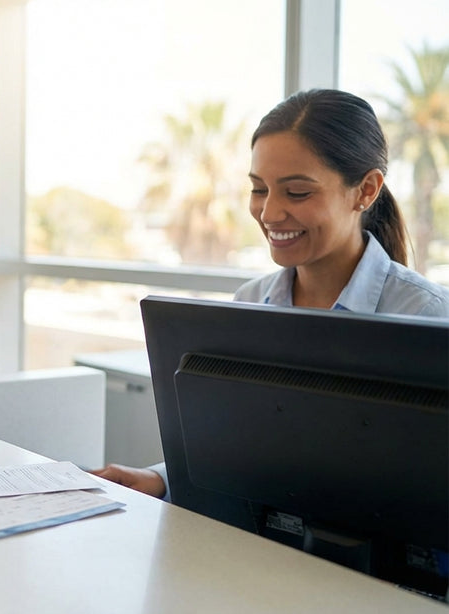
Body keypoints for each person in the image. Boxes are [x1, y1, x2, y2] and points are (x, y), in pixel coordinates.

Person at [93, 88, 449, 500]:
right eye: (259, 189)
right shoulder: (250, 301)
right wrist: (161, 478)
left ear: (366, 190)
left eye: (297, 192)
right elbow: (234, 440)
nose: (269, 213)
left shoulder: (426, 313)